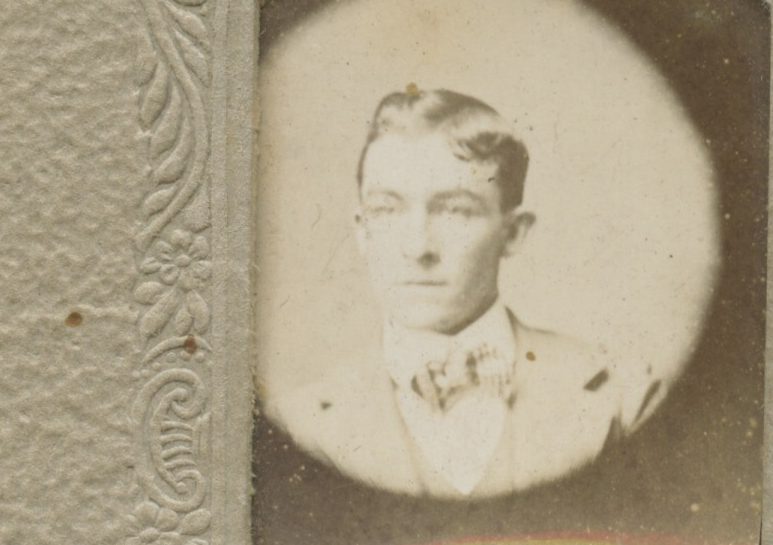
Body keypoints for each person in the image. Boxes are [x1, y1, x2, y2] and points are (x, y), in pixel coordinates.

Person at [273, 87, 660, 498]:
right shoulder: (296, 425)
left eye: (455, 210)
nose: (418, 247)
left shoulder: (624, 399)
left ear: (513, 233)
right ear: (362, 230)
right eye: (386, 210)